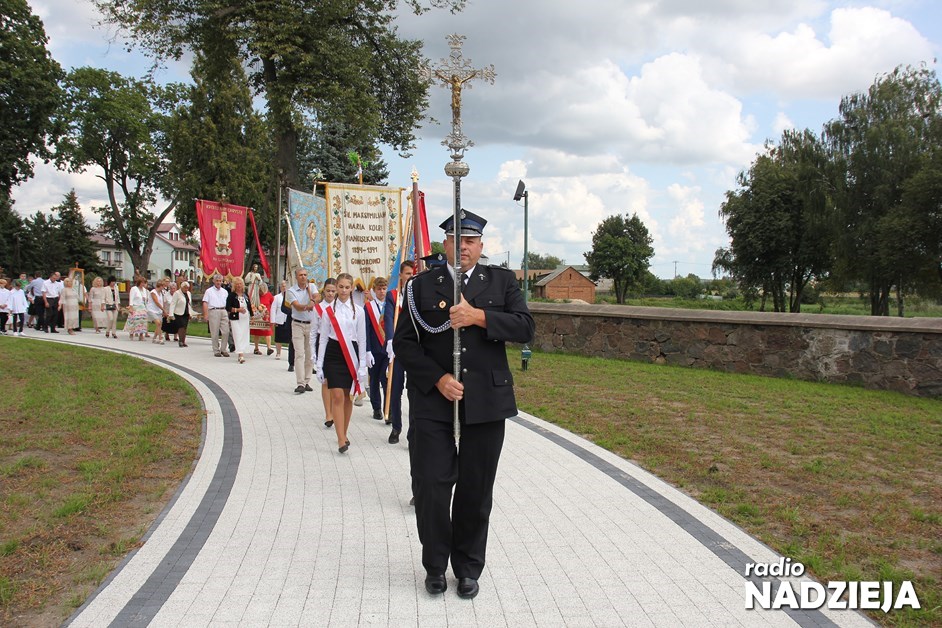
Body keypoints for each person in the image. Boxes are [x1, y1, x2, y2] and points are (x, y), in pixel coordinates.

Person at [393, 210, 535, 599]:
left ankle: (469, 567)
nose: (464, 248)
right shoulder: (421, 286)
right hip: (434, 401)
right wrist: (437, 379)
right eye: (457, 240)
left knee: (475, 488)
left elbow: (525, 327)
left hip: (486, 400)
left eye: (471, 241)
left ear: (481, 246)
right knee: (431, 486)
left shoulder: (502, 281)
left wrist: (478, 316)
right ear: (445, 244)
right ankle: (435, 566)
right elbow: (404, 342)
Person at [316, 273, 367, 453]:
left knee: (347, 396)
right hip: (334, 353)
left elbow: (362, 339)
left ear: (352, 288)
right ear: (336, 287)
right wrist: (319, 364)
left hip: (351, 354)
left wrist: (362, 365)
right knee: (337, 395)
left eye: (347, 287)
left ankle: (344, 433)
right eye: (341, 287)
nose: (344, 290)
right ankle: (340, 439)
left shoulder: (359, 311)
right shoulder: (329, 311)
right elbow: (323, 338)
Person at [384, 260, 416, 443]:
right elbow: (389, 318)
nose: (410, 277)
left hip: (413, 349)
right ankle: (396, 427)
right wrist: (390, 340)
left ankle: (413, 432)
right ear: (401, 275)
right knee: (395, 389)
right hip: (397, 348)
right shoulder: (392, 295)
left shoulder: (418, 293)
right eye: (408, 273)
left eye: (413, 274)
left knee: (413, 392)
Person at [285, 268, 319, 394]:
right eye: (300, 275)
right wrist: (308, 306)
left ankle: (307, 381)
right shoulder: (291, 291)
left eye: (305, 275)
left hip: (311, 324)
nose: (303, 277)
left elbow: (318, 296)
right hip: (297, 324)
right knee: (299, 353)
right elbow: (297, 306)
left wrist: (313, 301)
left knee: (309, 355)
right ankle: (300, 383)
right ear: (296, 277)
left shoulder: (311, 286)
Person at [364, 276, 389, 422]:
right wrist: (367, 350)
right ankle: (376, 408)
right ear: (374, 290)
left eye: (384, 289)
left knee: (386, 379)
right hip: (374, 349)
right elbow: (366, 331)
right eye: (379, 289)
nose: (382, 292)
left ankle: (388, 409)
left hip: (387, 350)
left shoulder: (391, 305)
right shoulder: (368, 307)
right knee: (374, 379)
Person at [317, 278, 337, 428]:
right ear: (323, 291)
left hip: (338, 345)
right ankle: (328, 413)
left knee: (336, 381)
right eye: (328, 290)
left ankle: (336, 410)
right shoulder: (319, 308)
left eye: (333, 291)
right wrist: (314, 353)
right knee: (326, 380)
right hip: (323, 343)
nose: (330, 293)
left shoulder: (341, 307)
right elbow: (313, 332)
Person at [202, 273, 231, 357]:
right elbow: (205, 302)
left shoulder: (225, 291)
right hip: (213, 310)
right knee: (214, 332)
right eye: (217, 281)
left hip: (223, 310)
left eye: (220, 281)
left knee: (226, 331)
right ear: (214, 281)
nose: (218, 282)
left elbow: (228, 303)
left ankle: (223, 349)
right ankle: (216, 350)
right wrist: (206, 314)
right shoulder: (209, 291)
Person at [227, 276, 253, 363]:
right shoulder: (231, 295)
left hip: (245, 319)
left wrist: (252, 316)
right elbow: (228, 307)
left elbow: (249, 306)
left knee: (243, 335)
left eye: (240, 284)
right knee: (237, 334)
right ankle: (240, 354)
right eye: (237, 284)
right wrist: (237, 310)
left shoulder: (245, 295)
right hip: (236, 318)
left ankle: (241, 352)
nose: (239, 286)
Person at [271, 280, 293, 364]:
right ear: (280, 288)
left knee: (289, 338)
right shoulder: (276, 297)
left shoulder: (291, 297)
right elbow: (273, 309)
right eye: (283, 286)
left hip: (288, 320)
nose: (284, 288)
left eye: (285, 286)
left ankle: (290, 354)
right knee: (278, 337)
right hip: (279, 320)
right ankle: (278, 353)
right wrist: (273, 320)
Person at [251, 282, 275, 356]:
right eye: (259, 290)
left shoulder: (269, 295)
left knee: (267, 332)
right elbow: (253, 304)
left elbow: (273, 304)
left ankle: (269, 348)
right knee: (257, 332)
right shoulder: (256, 296)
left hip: (266, 316)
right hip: (258, 316)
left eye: (262, 291)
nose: (261, 292)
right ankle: (256, 348)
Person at [169, 281, 194, 347]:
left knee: (185, 327)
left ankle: (183, 341)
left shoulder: (188, 293)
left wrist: (190, 313)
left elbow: (189, 304)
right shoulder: (177, 293)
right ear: (182, 287)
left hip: (186, 312)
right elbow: (173, 303)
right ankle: (180, 341)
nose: (186, 289)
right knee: (181, 326)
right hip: (178, 313)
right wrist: (171, 314)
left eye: (187, 288)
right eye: (185, 288)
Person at [125, 276, 149, 341]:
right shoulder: (134, 289)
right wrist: (131, 307)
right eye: (142, 283)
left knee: (142, 322)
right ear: (139, 283)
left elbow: (146, 300)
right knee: (134, 321)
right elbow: (131, 298)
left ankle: (141, 335)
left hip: (142, 307)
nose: (143, 284)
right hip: (135, 306)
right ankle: (131, 333)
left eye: (144, 283)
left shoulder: (144, 290)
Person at [147, 278, 168, 344]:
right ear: (160, 286)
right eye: (163, 286)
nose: (164, 288)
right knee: (158, 323)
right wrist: (163, 310)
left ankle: (154, 338)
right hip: (151, 310)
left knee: (159, 325)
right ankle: (160, 338)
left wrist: (163, 310)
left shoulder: (161, 293)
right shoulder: (153, 292)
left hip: (158, 311)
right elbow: (156, 302)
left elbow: (162, 302)